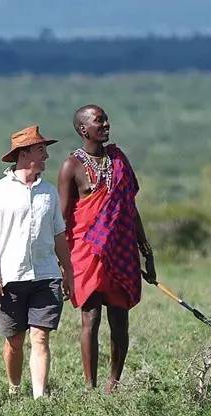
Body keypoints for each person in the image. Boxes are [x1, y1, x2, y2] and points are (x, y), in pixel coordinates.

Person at [58, 105, 157, 394]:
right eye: (98, 121)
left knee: (119, 318)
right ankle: (90, 387)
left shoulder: (119, 159)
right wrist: (63, 266)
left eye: (105, 119)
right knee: (90, 317)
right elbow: (62, 219)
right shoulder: (70, 167)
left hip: (121, 250)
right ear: (82, 129)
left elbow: (130, 209)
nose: (105, 124)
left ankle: (113, 382)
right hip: (86, 252)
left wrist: (146, 253)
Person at [0, 125, 73, 399]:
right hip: (10, 277)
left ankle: (39, 397)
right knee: (15, 342)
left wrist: (68, 271)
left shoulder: (49, 192)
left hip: (46, 275)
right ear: (24, 153)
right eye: (41, 150)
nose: (46, 156)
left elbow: (59, 235)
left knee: (40, 338)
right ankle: (15, 388)